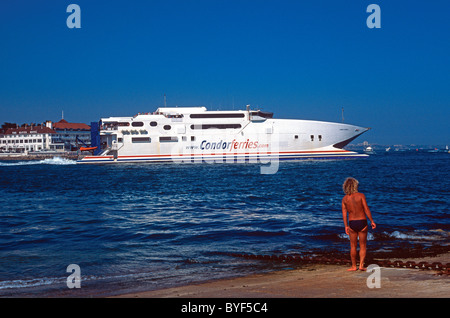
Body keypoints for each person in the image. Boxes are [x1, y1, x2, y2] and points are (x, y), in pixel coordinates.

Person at [341, 177, 376, 271]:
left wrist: (346, 226)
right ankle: (361, 265)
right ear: (355, 185)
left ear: (345, 187)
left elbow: (344, 214)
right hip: (362, 221)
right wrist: (372, 221)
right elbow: (366, 209)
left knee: (353, 246)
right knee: (363, 245)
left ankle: (353, 266)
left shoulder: (344, 199)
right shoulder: (361, 195)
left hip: (352, 223)